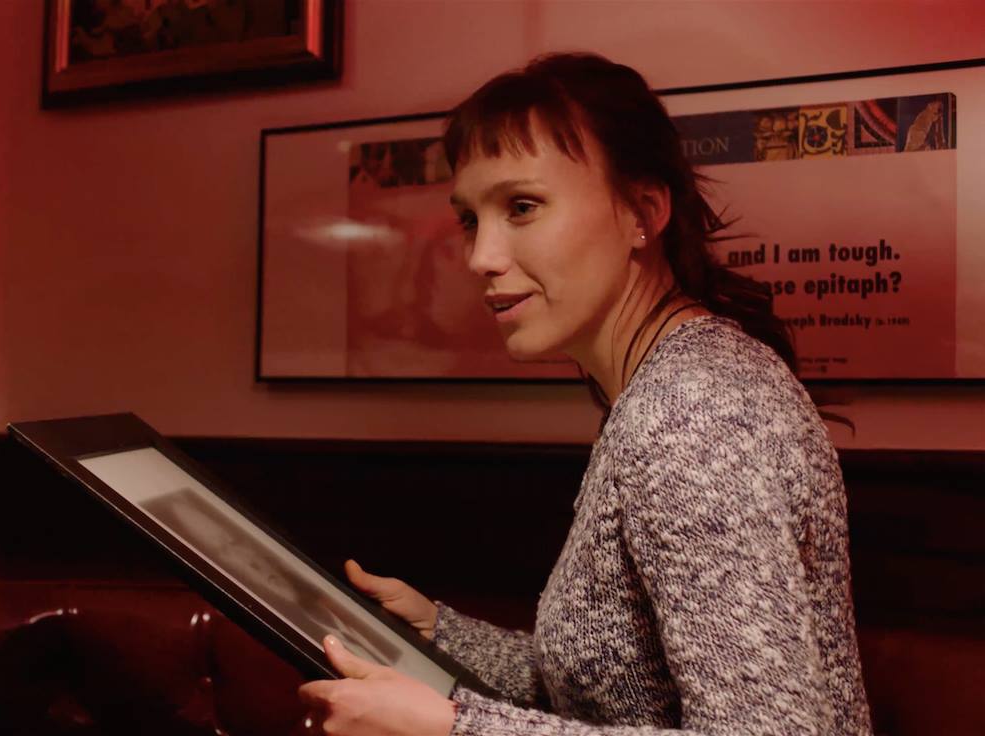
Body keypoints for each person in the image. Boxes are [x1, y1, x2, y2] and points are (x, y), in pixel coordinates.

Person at [296, 52, 873, 736]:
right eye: (471, 219)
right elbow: (612, 692)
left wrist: (454, 728)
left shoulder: (691, 411)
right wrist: (440, 632)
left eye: (522, 207)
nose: (482, 257)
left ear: (642, 212)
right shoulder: (665, 385)